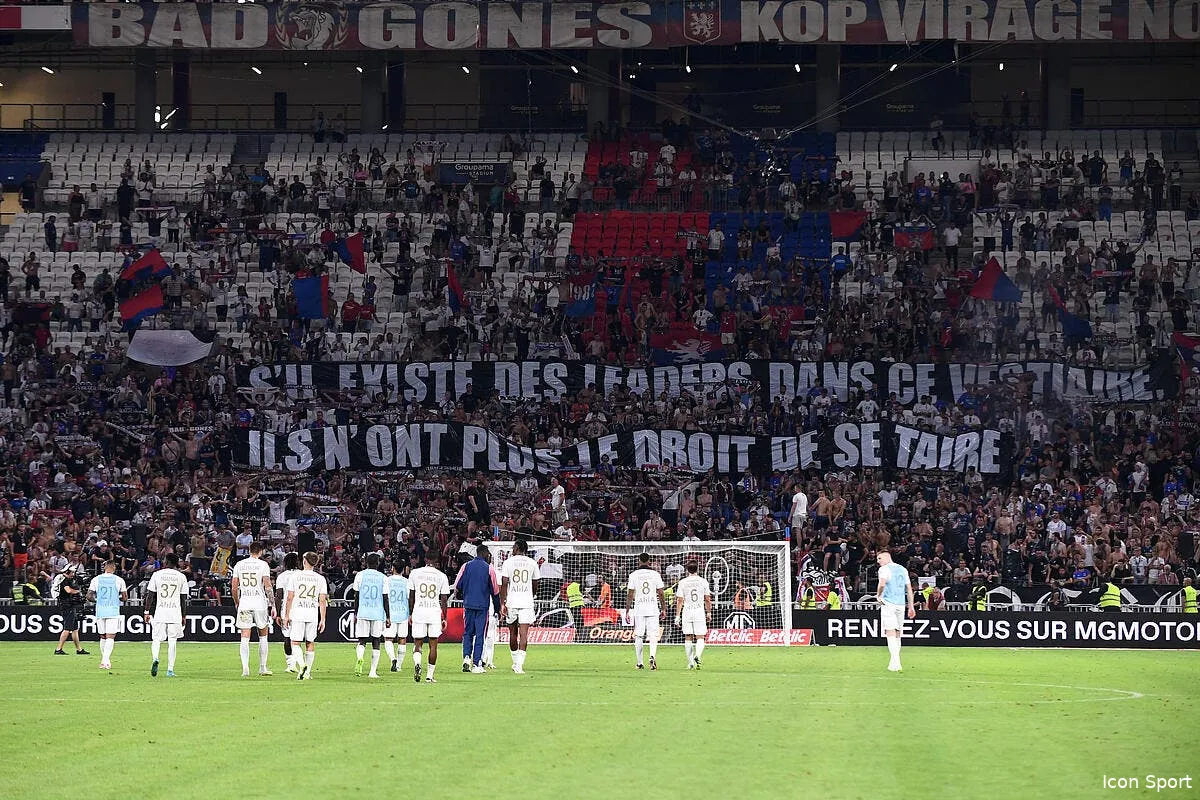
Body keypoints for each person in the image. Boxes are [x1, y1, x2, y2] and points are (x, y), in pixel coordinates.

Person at [232, 540, 274, 677]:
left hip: (245, 602)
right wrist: (272, 604)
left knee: (244, 636)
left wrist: (237, 601)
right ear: (261, 551)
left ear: (249, 550)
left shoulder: (239, 564)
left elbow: (234, 587)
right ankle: (262, 667)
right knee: (263, 635)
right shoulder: (263, 565)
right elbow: (267, 585)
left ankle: (245, 668)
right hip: (259, 603)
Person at [284, 551, 328, 681]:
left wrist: (286, 615)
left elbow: (289, 598)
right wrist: (323, 619)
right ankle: (307, 672)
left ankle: (302, 665)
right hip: (312, 613)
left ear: (304, 561)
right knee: (310, 642)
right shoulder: (320, 578)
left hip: (298, 612)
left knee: (295, 642)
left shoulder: (295, 576)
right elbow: (322, 601)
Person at [454, 544, 498, 674]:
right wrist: (496, 609)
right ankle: (477, 663)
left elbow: (457, 585)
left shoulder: (465, 566)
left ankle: (466, 657)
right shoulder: (489, 569)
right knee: (480, 635)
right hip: (482, 606)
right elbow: (495, 591)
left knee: (467, 632)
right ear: (485, 554)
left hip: (468, 605)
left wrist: (463, 596)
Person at [499, 538, 541, 674]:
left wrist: (502, 602)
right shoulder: (532, 563)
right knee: (524, 634)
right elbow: (535, 583)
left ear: (517, 548)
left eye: (513, 547)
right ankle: (519, 665)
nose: (512, 549)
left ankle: (515, 661)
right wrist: (531, 595)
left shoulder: (508, 562)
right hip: (527, 602)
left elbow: (504, 583)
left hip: (512, 601)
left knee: (512, 633)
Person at [143, 553, 187, 678]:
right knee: (172, 641)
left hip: (161, 611)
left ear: (166, 561)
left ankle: (156, 658)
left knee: (156, 639)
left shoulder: (157, 575)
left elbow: (150, 595)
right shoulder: (181, 577)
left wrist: (147, 612)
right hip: (175, 612)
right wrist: (184, 616)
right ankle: (170, 670)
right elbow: (183, 598)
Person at [408, 554, 450, 684]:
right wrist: (444, 617)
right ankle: (429, 676)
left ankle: (417, 663)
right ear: (436, 561)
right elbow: (444, 599)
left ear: (425, 560)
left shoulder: (415, 573)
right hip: (433, 612)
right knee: (433, 645)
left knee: (418, 643)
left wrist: (410, 613)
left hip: (419, 611)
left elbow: (411, 596)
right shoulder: (441, 576)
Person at [350, 553, 391, 679]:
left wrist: (356, 612)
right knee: (376, 641)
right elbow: (385, 598)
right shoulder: (383, 577)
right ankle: (372, 671)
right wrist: (388, 616)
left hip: (363, 611)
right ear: (378, 564)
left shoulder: (360, 575)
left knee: (362, 640)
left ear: (366, 563)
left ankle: (360, 657)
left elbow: (356, 596)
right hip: (377, 613)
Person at [875, 551, 915, 672]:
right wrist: (911, 606)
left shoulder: (884, 569)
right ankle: (894, 663)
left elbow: (882, 583)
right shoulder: (903, 569)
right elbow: (908, 588)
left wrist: (878, 595)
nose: (878, 561)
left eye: (879, 558)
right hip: (901, 604)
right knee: (897, 632)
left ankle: (896, 662)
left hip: (888, 603)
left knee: (890, 632)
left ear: (887, 557)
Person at [627, 552, 665, 671]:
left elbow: (630, 594)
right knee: (653, 635)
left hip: (639, 608)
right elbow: (661, 592)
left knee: (638, 635)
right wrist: (663, 608)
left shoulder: (633, 575)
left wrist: (628, 610)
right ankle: (652, 656)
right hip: (652, 607)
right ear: (649, 561)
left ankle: (639, 663)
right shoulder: (655, 574)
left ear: (639, 561)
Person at [87, 560, 128, 671]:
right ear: (114, 567)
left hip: (100, 610)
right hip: (113, 610)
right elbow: (124, 597)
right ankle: (105, 661)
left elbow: (89, 596)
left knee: (103, 636)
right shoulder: (119, 580)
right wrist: (116, 597)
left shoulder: (96, 579)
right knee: (110, 636)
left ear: (104, 567)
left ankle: (104, 661)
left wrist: (98, 600)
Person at [673, 561, 711, 670]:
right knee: (700, 636)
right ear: (697, 569)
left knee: (688, 637)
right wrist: (708, 612)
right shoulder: (703, 581)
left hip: (687, 611)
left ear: (687, 570)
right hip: (699, 610)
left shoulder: (683, 582)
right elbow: (707, 599)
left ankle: (690, 663)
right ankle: (697, 656)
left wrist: (677, 616)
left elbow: (680, 600)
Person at [53, 563, 88, 656]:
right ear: (67, 571)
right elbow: (68, 590)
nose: (73, 574)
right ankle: (58, 649)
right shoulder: (65, 580)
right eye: (72, 572)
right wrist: (78, 591)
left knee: (75, 629)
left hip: (70, 605)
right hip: (67, 605)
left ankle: (79, 649)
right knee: (67, 628)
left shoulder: (65, 579)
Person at [274, 552, 301, 673]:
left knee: (287, 636)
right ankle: (299, 662)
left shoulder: (282, 576)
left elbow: (279, 596)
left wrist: (278, 612)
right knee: (298, 637)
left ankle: (291, 664)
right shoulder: (302, 575)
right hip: (301, 607)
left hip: (286, 608)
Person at [383, 560, 411, 672]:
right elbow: (410, 599)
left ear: (392, 568)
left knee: (388, 639)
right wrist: (410, 614)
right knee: (402, 639)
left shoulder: (387, 580)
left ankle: (393, 659)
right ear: (403, 570)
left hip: (391, 614)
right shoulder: (407, 582)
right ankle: (398, 665)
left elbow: (384, 597)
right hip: (403, 614)